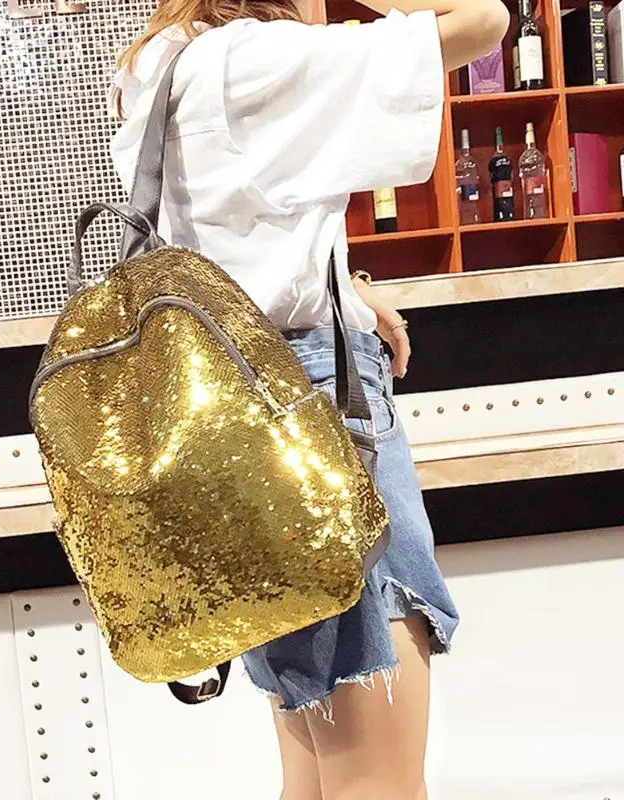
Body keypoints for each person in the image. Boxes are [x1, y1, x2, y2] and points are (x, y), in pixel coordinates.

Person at [108, 0, 509, 797]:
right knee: (378, 784)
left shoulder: (159, 63)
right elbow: (485, 19)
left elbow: (231, 231)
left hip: (229, 420)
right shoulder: (266, 59)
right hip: (319, 421)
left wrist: (344, 292)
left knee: (317, 771)